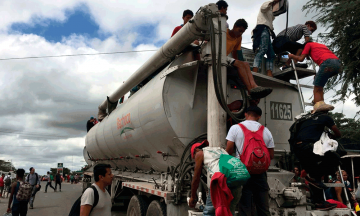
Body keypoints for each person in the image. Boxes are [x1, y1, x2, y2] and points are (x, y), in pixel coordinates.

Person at [289, 101, 341, 210]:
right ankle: (315, 180)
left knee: (315, 176)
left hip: (297, 149)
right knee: (335, 158)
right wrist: (331, 136)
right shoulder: (325, 117)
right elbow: (338, 133)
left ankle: (318, 202)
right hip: (309, 148)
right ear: (325, 111)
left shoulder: (304, 119)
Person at [225, 106, 274, 216]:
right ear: (259, 117)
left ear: (245, 114)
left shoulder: (235, 128)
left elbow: (228, 151)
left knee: (245, 206)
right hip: (260, 172)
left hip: (242, 171)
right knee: (263, 206)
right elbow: (271, 155)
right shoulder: (266, 131)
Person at [189, 141, 242, 216]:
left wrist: (192, 197)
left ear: (196, 150)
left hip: (220, 182)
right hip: (236, 180)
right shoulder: (220, 150)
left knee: (209, 212)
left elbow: (196, 178)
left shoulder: (199, 153)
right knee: (229, 211)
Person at [227, 19, 273, 99]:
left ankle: (254, 86)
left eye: (242, 32)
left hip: (226, 58)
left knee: (246, 64)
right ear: (234, 26)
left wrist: (238, 63)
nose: (240, 33)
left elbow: (235, 52)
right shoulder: (225, 32)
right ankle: (250, 90)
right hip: (218, 55)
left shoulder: (239, 38)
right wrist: (238, 64)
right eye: (240, 30)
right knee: (241, 64)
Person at [252, 0, 279, 77]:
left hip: (267, 31)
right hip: (262, 29)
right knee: (262, 50)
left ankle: (269, 72)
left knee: (271, 54)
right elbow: (263, 8)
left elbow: (271, 21)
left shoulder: (271, 14)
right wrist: (273, 1)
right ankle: (255, 70)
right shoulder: (267, 5)